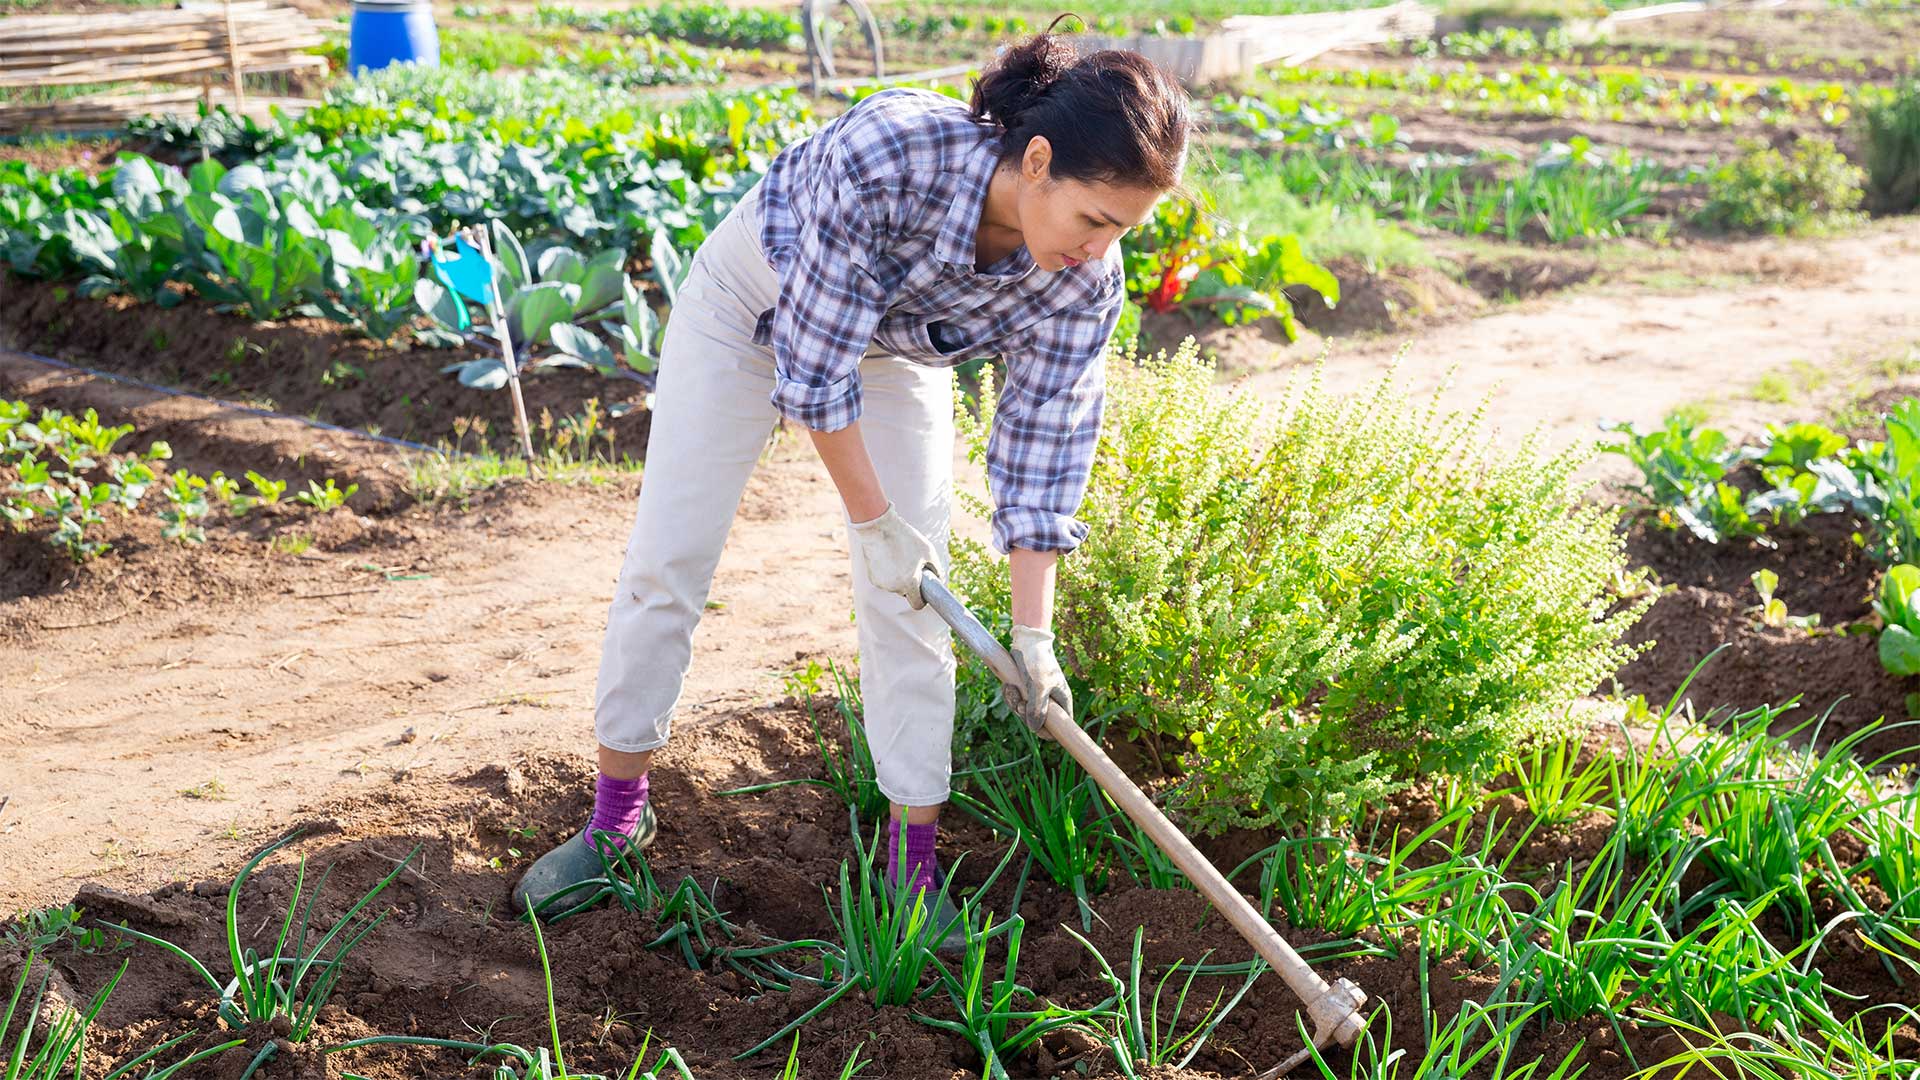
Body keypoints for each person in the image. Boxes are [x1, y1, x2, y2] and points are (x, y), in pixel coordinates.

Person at [512, 28, 1191, 947]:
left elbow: (1044, 449)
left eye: (1123, 231)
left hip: (892, 353)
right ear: (1037, 162)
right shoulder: (892, 154)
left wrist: (1036, 635)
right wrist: (874, 524)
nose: (1101, 248)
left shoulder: (1080, 283)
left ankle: (912, 872)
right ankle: (616, 820)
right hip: (749, 310)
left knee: (916, 601)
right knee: (671, 557)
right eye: (1095, 220)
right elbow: (814, 365)